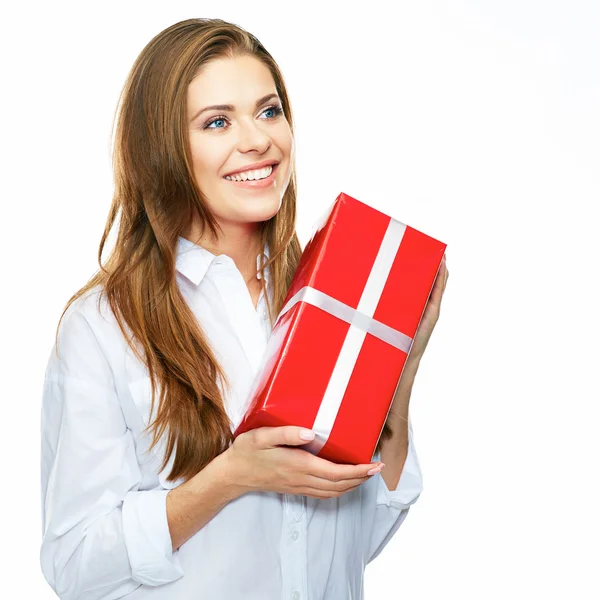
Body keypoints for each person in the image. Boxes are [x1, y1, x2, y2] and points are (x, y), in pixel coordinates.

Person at [39, 17, 448, 600]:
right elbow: (75, 563)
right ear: (164, 148)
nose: (257, 140)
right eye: (217, 121)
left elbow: (355, 543)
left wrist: (400, 365)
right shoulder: (105, 325)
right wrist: (231, 478)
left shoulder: (330, 293)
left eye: (269, 110)